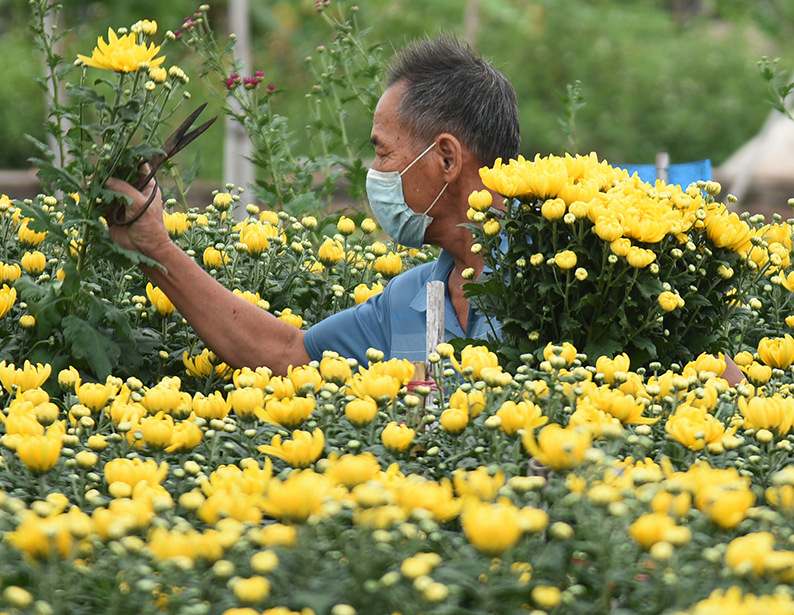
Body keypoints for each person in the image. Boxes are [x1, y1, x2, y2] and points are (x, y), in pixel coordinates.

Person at [106, 36, 517, 374]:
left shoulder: (557, 282)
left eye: (383, 153)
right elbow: (287, 354)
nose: (375, 172)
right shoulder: (408, 298)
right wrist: (153, 248)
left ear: (446, 158)